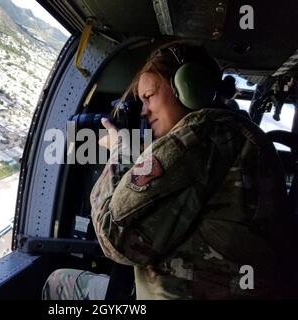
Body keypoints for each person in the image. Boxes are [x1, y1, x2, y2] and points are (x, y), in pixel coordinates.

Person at [42, 42, 291, 300]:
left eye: (149, 96)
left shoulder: (197, 138)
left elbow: (114, 239)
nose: (144, 111)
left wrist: (120, 151)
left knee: (57, 284)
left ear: (186, 87)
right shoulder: (232, 133)